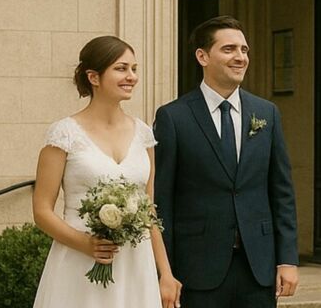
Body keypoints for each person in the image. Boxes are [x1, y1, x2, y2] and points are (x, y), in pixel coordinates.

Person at [153, 16, 298, 308]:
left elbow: (281, 192)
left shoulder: (266, 113)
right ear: (202, 56)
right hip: (197, 269)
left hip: (258, 267)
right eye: (229, 49)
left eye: (244, 50)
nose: (240, 57)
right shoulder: (173, 117)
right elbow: (161, 200)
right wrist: (163, 272)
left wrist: (287, 259)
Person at [32, 36, 181, 308]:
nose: (132, 76)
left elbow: (148, 209)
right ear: (94, 77)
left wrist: (166, 273)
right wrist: (85, 243)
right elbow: (42, 211)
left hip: (135, 263)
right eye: (121, 68)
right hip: (79, 259)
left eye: (134, 69)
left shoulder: (144, 134)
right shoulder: (64, 134)